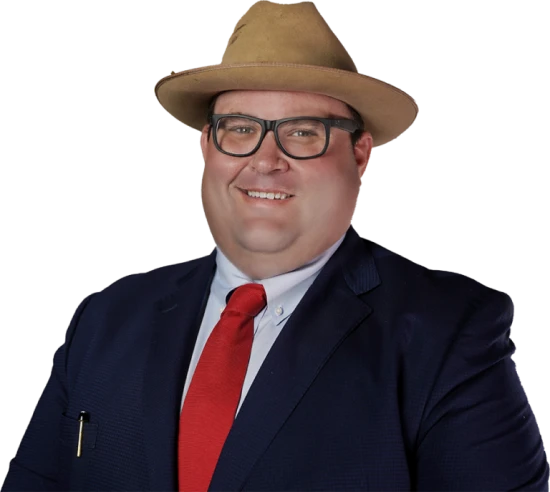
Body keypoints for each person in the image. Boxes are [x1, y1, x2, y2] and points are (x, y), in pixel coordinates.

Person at [3, 1, 548, 491]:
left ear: (360, 156)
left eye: (303, 132)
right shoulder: (108, 316)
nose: (265, 160)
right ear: (207, 147)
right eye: (239, 128)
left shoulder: (449, 333)